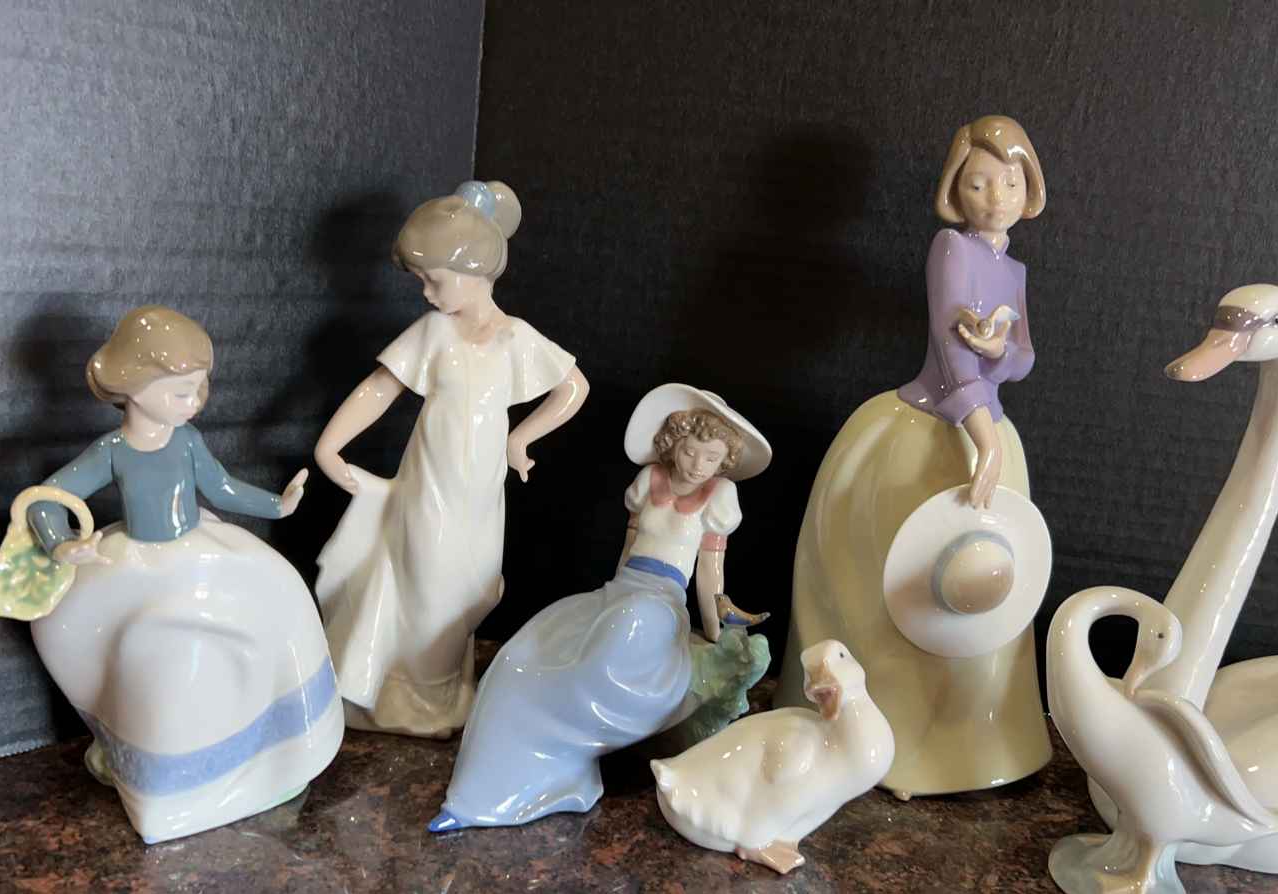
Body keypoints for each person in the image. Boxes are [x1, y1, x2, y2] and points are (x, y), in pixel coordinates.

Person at [776, 116, 1054, 796]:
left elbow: (1022, 357)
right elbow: (950, 351)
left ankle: (970, 741)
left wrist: (1001, 351)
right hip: (940, 426)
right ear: (954, 190)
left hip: (990, 431)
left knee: (983, 592)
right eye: (978, 183)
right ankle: (887, 743)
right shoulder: (949, 248)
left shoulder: (1011, 267)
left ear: (1029, 191)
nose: (995, 198)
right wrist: (983, 436)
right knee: (896, 587)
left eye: (1010, 183)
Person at [25, 305, 341, 843]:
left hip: (201, 553)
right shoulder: (113, 450)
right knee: (151, 653)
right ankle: (159, 778)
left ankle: (272, 758)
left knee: (278, 602)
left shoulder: (187, 440)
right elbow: (44, 499)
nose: (193, 403)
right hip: (137, 566)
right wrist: (62, 544)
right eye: (180, 392)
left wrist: (278, 505)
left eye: (198, 390)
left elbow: (220, 487)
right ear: (133, 386)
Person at [313, 181, 589, 739]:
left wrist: (521, 439)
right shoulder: (434, 333)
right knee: (426, 580)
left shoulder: (515, 338)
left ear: (476, 269)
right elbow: (381, 387)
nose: (426, 293)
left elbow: (573, 388)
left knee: (473, 588)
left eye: (433, 280)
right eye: (421, 281)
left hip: (481, 492)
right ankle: (412, 695)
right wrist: (329, 445)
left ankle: (438, 692)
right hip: (430, 485)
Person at [429, 383, 770, 831]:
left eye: (710, 458)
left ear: (722, 463)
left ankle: (567, 744)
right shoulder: (648, 481)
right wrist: (605, 599)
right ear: (673, 444)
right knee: (524, 652)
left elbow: (710, 574)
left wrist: (712, 632)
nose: (696, 465)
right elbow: (628, 550)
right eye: (690, 452)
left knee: (624, 629)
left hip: (661, 602)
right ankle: (480, 793)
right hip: (622, 590)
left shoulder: (718, 497)